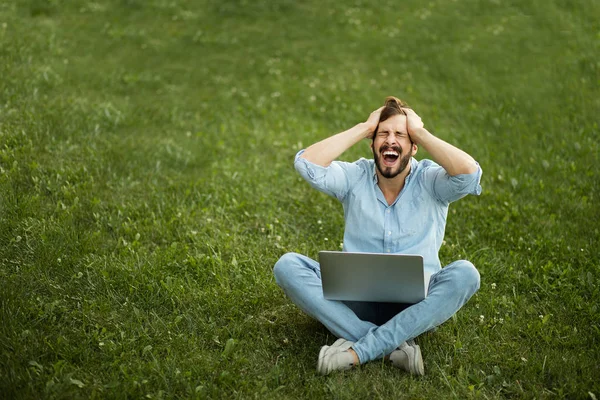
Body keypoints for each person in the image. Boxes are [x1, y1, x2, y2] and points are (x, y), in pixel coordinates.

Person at [273, 96, 482, 376]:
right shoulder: (355, 175)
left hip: (416, 301)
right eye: (383, 133)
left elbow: (469, 175)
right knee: (287, 266)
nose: (391, 140)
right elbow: (307, 164)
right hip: (357, 301)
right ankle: (395, 346)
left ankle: (356, 351)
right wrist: (363, 126)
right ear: (372, 143)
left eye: (401, 135)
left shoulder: (431, 180)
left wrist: (420, 130)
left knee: (466, 274)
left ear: (414, 146)